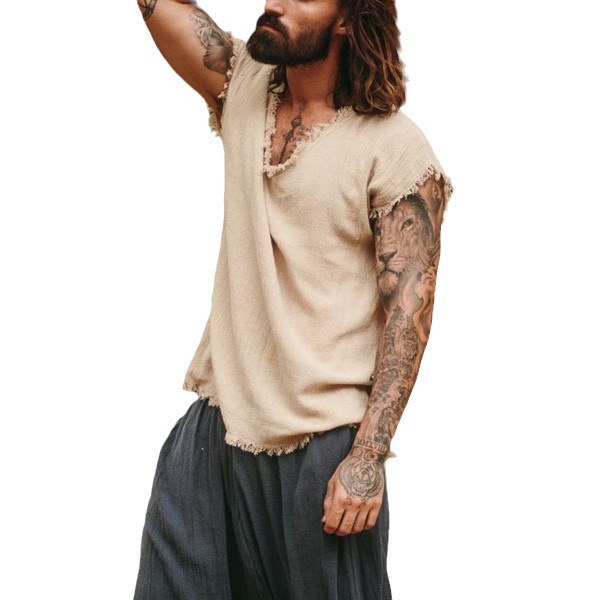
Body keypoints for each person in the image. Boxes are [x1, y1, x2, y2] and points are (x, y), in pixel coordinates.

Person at [133, 0, 453, 598]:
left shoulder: (395, 148)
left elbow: (408, 316)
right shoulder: (243, 88)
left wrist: (367, 457)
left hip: (324, 450)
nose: (275, 3)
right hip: (214, 431)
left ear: (348, 19)